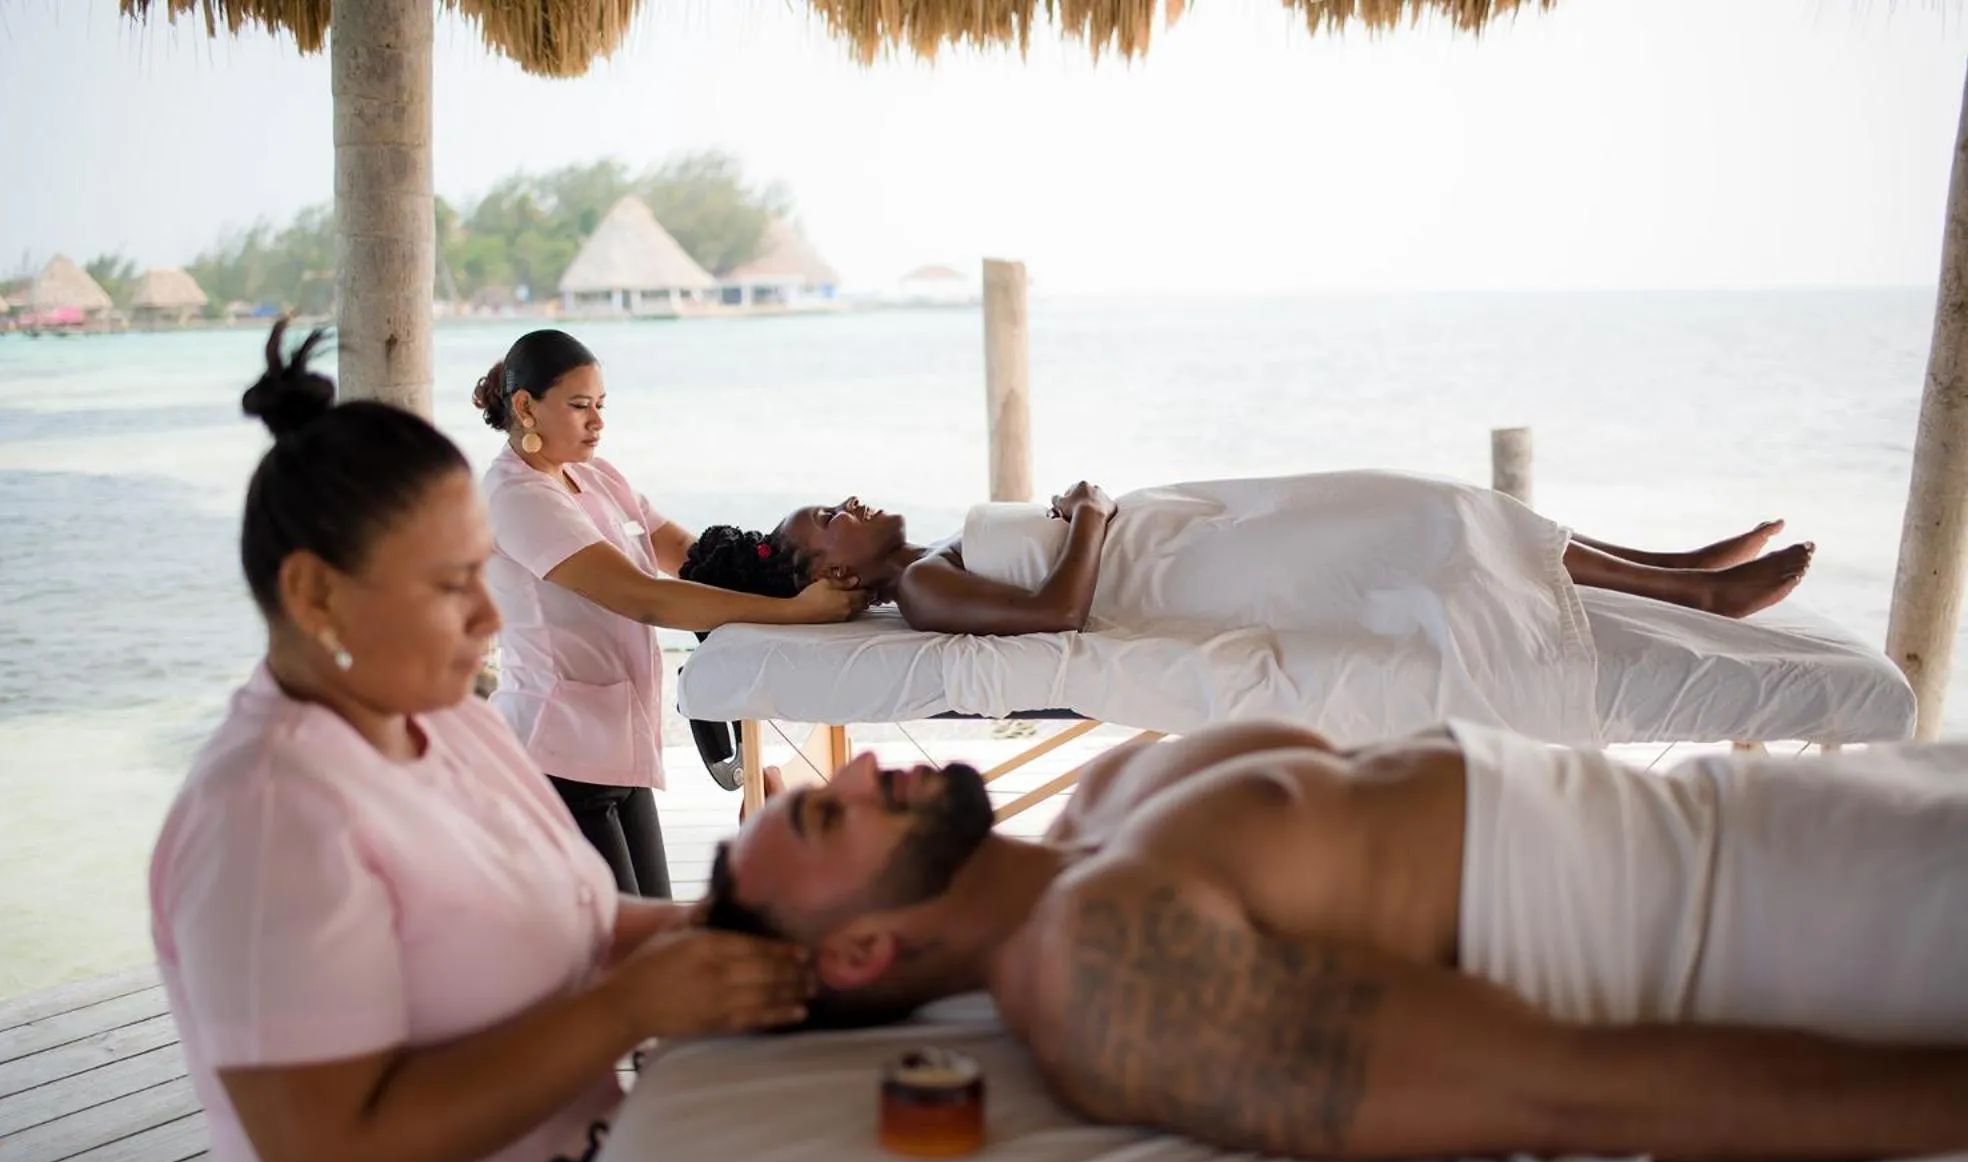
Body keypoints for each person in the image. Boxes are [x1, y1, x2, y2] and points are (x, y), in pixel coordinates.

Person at [148, 323, 812, 1162]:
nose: (492, 617)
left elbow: (567, 917)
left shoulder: (446, 719)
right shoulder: (268, 816)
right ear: (315, 593)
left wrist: (733, 924)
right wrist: (631, 1003)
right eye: (451, 585)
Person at [701, 720, 1968, 1162]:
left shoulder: (1095, 815)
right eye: (825, 812)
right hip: (1800, 914)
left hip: (1810, 809)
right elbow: (1569, 1091)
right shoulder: (1097, 970)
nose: (857, 762)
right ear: (860, 953)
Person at [474, 330, 865, 900]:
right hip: (557, 754)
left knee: (653, 918)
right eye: (579, 406)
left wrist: (806, 564)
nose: (597, 423)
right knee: (625, 947)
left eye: (601, 406)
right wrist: (797, 613)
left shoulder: (598, 476)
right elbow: (645, 596)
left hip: (618, 747)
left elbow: (690, 558)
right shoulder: (518, 497)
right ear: (526, 405)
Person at [679, 474, 1815, 637]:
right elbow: (1061, 619)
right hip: (1183, 573)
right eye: (823, 522)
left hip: (1189, 527)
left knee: (1438, 498)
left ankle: (1674, 565)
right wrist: (1088, 526)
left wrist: (1093, 515)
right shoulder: (920, 588)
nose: (845, 505)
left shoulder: (928, 557)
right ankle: (1691, 589)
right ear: (829, 576)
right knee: (1431, 528)